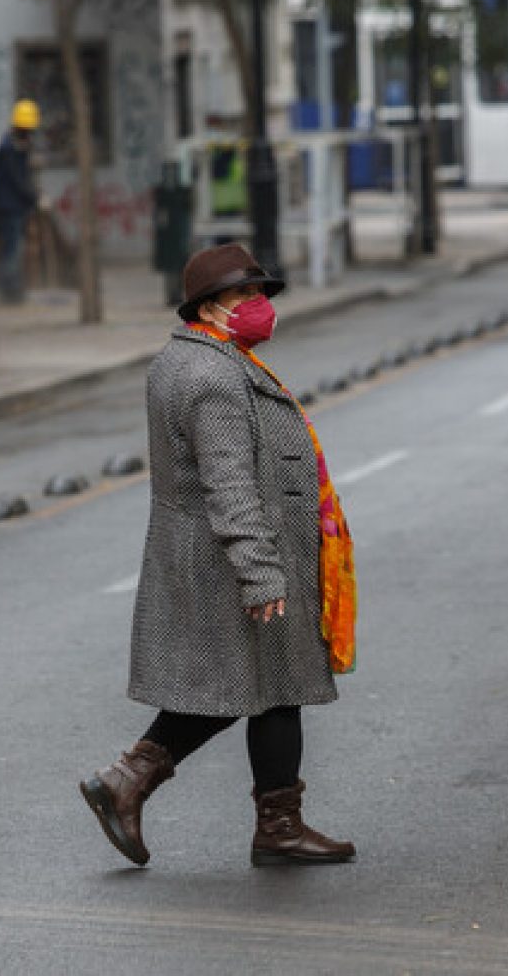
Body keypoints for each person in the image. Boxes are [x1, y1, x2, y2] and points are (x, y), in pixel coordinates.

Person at [79, 242, 357, 868]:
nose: (259, 308)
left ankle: (132, 781)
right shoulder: (213, 378)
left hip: (210, 555)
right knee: (270, 688)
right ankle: (271, 826)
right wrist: (261, 574)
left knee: (247, 688)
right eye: (245, 297)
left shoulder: (188, 362)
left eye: (261, 295)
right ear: (210, 308)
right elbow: (230, 482)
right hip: (234, 559)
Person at [0, 100, 40, 304]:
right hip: (8, 206)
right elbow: (17, 179)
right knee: (13, 248)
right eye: (27, 130)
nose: (30, 134)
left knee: (12, 246)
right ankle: (10, 292)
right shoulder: (8, 149)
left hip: (14, 205)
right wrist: (34, 197)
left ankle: (10, 288)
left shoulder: (15, 146)